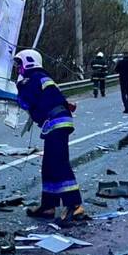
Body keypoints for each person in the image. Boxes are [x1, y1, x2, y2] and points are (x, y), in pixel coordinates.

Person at [13, 49, 86, 221]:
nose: (18, 70)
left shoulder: (33, 78)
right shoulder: (42, 77)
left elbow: (25, 100)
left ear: (28, 62)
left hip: (56, 122)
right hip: (56, 122)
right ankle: (48, 206)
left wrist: (18, 86)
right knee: (49, 165)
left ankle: (75, 205)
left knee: (58, 163)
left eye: (19, 65)